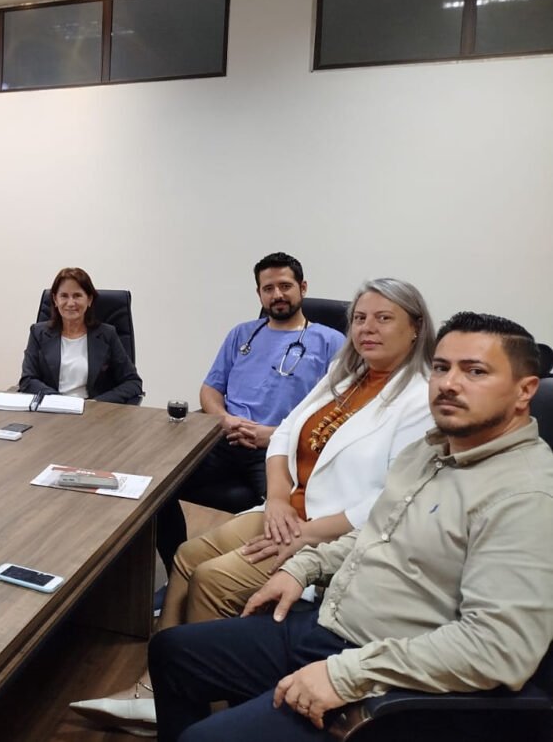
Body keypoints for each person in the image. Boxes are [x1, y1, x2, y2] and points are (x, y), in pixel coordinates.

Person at [145, 312, 553, 742]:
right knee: (174, 652)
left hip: (393, 672)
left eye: (475, 371)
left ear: (525, 390)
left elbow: (498, 649)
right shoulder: (431, 450)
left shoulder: (525, 496)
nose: (449, 383)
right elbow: (378, 530)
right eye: (441, 367)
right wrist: (304, 567)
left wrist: (346, 675)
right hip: (336, 624)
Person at [72, 278, 435, 734]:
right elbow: (285, 431)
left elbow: (389, 500)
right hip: (289, 510)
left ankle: (211, 706)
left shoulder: (422, 398)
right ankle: (154, 690)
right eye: (360, 318)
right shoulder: (346, 374)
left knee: (212, 578)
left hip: (331, 531)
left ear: (416, 328)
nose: (367, 329)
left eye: (384, 319)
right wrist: (279, 499)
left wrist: (308, 531)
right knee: (186, 558)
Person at [156, 252, 346, 574]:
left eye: (285, 286)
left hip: (279, 450)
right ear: (259, 294)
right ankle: (179, 572)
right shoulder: (242, 334)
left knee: (284, 517)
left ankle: (244, 580)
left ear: (303, 287)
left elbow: (338, 413)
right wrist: (223, 418)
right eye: (268, 288)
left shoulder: (331, 342)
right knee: (156, 493)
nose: (278, 295)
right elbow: (210, 390)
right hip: (225, 440)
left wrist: (272, 434)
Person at [19, 267, 144, 405]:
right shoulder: (38, 333)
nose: (70, 303)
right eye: (64, 296)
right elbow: (28, 380)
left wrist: (96, 403)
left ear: (89, 299)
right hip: (51, 410)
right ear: (55, 300)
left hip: (94, 414)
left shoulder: (107, 335)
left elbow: (133, 382)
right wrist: (60, 401)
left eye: (77, 295)